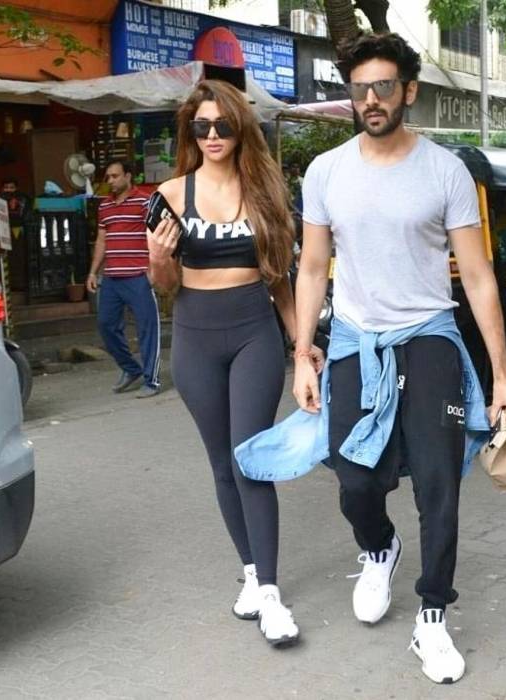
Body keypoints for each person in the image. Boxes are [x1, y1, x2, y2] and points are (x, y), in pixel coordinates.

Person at [292, 33, 506, 684]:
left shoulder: (444, 171)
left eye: (383, 86)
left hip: (427, 336)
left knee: (436, 481)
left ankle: (432, 616)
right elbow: (311, 267)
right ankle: (379, 548)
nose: (370, 99)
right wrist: (302, 354)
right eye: (359, 88)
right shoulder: (326, 172)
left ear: (408, 91)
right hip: (354, 338)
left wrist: (502, 373)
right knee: (355, 480)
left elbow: (476, 275)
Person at [146, 80, 323, 647]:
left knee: (251, 459)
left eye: (223, 125)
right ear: (190, 132)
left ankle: (270, 594)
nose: (213, 135)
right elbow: (164, 285)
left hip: (253, 335)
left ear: (240, 128)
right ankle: (250, 571)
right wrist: (158, 258)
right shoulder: (169, 196)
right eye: (202, 126)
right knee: (222, 464)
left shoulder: (264, 193)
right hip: (194, 338)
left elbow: (281, 281)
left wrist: (302, 350)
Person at [87, 161, 161, 398]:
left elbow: (158, 234)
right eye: (108, 177)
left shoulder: (145, 201)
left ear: (128, 176)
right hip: (111, 278)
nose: (110, 181)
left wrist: (154, 269)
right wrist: (93, 272)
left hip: (138, 276)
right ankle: (131, 369)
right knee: (106, 325)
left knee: (147, 328)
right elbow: (101, 240)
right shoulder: (105, 206)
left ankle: (151, 380)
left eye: (115, 176)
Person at [0, 178, 31, 291]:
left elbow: (27, 214)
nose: (9, 190)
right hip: (2, 233)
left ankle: (21, 284)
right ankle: (6, 285)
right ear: (2, 189)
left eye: (11, 187)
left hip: (20, 233)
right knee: (5, 258)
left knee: (20, 257)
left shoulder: (23, 199)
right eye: (6, 187)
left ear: (16, 188)